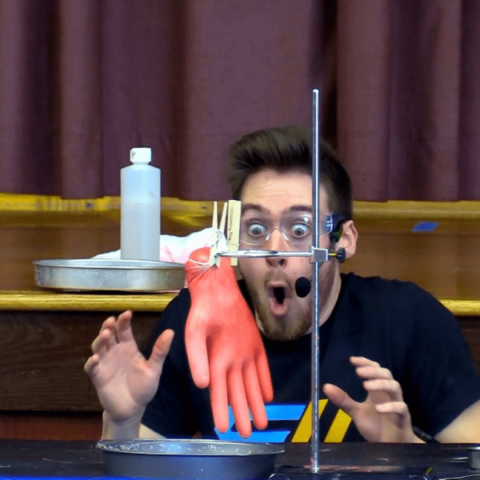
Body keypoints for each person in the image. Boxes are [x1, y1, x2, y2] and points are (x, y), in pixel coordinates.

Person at [85, 125, 480, 443]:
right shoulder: (195, 320)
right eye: (255, 228)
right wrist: (122, 420)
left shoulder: (408, 319)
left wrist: (405, 449)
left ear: (342, 240)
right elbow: (135, 466)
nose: (275, 250)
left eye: (299, 228)